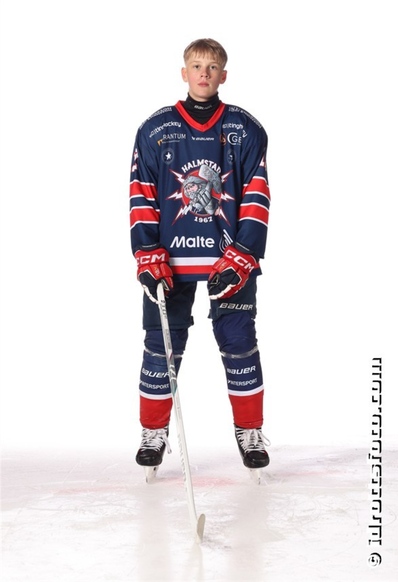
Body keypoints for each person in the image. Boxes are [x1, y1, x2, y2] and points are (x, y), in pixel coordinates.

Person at [129, 38, 271, 472]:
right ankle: (153, 432)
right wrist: (148, 255)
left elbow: (256, 197)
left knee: (240, 344)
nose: (204, 73)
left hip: (229, 262)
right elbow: (142, 195)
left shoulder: (245, 129)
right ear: (184, 73)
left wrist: (242, 255)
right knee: (161, 348)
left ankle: (250, 431)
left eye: (211, 67)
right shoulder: (156, 130)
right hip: (170, 263)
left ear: (223, 75)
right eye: (196, 66)